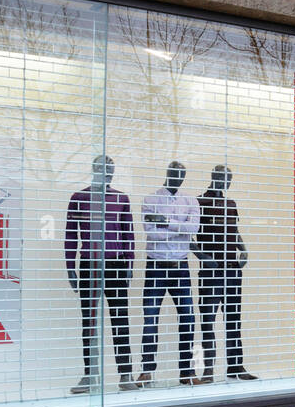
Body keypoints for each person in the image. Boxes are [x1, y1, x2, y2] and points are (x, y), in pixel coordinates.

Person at [65, 155, 136, 393]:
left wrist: (129, 264)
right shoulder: (79, 198)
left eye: (112, 169)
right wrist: (70, 268)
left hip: (115, 265)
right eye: (104, 169)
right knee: (90, 321)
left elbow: (128, 234)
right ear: (94, 169)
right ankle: (90, 375)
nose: (109, 173)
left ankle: (125, 374)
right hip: (89, 264)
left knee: (120, 320)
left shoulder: (120, 198)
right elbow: (70, 236)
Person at [137, 161, 203, 386]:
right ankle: (146, 371)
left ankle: (187, 372)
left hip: (180, 266)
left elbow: (193, 229)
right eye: (176, 174)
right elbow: (151, 234)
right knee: (150, 318)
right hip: (156, 265)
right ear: (167, 173)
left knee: (188, 318)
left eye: (182, 175)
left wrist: (165, 221)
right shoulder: (150, 199)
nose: (179, 178)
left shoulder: (190, 200)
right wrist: (179, 227)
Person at [194, 165, 257, 382]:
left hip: (232, 270)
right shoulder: (200, 202)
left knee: (233, 319)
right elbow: (189, 237)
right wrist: (203, 258)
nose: (226, 182)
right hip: (212, 272)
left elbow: (234, 230)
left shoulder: (231, 204)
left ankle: (236, 366)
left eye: (229, 178)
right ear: (214, 177)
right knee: (208, 321)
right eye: (223, 178)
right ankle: (208, 370)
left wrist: (243, 249)